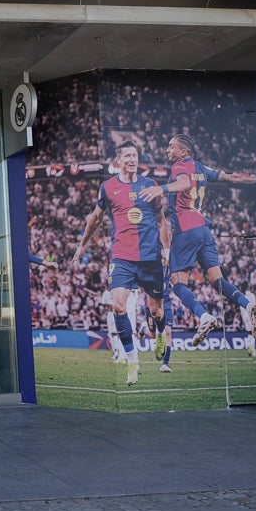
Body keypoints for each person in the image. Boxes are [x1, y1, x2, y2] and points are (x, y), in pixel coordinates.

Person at [139, 133, 256, 349]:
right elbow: (231, 178)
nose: (168, 150)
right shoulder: (202, 168)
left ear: (183, 151)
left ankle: (204, 317)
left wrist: (162, 188)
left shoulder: (179, 167)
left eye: (171, 147)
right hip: (204, 230)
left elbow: (184, 183)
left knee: (177, 284)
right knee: (217, 280)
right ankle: (246, 302)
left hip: (186, 229)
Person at [71, 140, 170, 386]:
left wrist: (167, 248)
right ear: (118, 161)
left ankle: (159, 332)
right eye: (127, 155)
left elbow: (161, 220)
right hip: (122, 257)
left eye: (135, 155)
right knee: (118, 306)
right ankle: (132, 361)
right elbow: (95, 218)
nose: (132, 159)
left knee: (156, 311)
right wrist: (83, 243)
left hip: (150, 258)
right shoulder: (108, 187)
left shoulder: (151, 185)